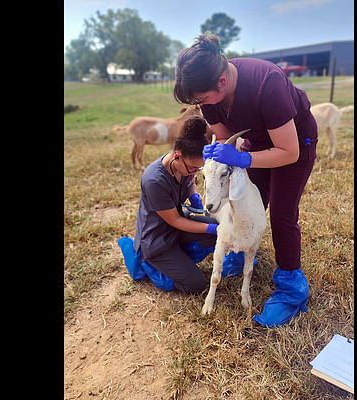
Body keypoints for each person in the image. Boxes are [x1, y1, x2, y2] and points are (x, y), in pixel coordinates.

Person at [173, 33, 317, 328]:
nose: (201, 105)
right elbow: (224, 133)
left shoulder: (267, 83)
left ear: (221, 82)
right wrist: (224, 148)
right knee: (247, 201)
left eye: (201, 98)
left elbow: (288, 152)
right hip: (256, 143)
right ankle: (239, 253)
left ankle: (291, 288)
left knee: (281, 214)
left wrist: (245, 160)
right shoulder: (211, 99)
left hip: (294, 143)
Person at [117, 116, 247, 293]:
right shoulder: (154, 180)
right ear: (177, 156)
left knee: (218, 227)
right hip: (157, 241)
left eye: (198, 169)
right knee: (196, 285)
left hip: (176, 231)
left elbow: (190, 180)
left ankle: (179, 259)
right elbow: (176, 221)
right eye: (193, 168)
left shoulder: (185, 166)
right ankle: (145, 263)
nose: (194, 173)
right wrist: (212, 229)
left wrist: (195, 198)